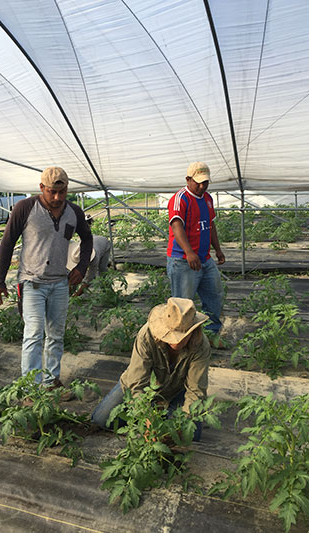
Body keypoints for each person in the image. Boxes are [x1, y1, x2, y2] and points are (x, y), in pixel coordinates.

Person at [0, 166, 93, 388]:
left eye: (62, 192)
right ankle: (31, 388)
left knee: (56, 336)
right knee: (34, 334)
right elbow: (7, 243)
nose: (57, 198)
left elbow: (87, 238)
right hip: (32, 282)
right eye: (51, 192)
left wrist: (82, 267)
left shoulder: (74, 212)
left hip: (59, 283)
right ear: (41, 188)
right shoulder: (25, 208)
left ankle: (51, 380)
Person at [92, 297, 211, 441]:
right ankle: (151, 415)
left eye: (183, 336)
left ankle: (159, 414)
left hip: (175, 391)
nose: (178, 341)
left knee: (189, 435)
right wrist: (146, 416)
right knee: (101, 419)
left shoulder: (200, 345)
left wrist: (185, 420)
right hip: (142, 388)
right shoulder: (146, 336)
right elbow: (136, 383)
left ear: (193, 330)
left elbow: (195, 390)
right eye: (173, 335)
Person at [166, 162, 225, 343]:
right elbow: (177, 226)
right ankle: (181, 341)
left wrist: (218, 250)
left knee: (214, 296)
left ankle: (210, 335)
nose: (202, 186)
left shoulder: (207, 198)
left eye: (205, 182)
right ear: (188, 179)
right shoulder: (180, 198)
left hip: (205, 259)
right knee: (183, 305)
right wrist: (189, 253)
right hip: (183, 261)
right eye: (198, 182)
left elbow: (211, 225)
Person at [72, 215, 111, 296]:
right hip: (94, 241)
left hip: (104, 244)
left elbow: (89, 280)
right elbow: (73, 273)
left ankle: (107, 291)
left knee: (102, 270)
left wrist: (75, 296)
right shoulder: (75, 253)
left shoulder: (94, 257)